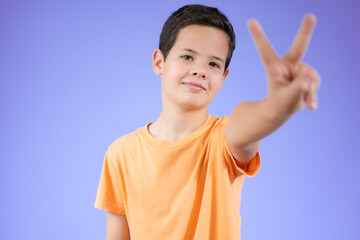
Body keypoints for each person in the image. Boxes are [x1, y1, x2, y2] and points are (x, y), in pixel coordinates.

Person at [95, 4, 320, 240]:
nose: (200, 70)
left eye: (213, 64)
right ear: (159, 62)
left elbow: (246, 123)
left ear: (223, 77)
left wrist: (275, 107)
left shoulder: (223, 139)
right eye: (187, 56)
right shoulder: (120, 153)